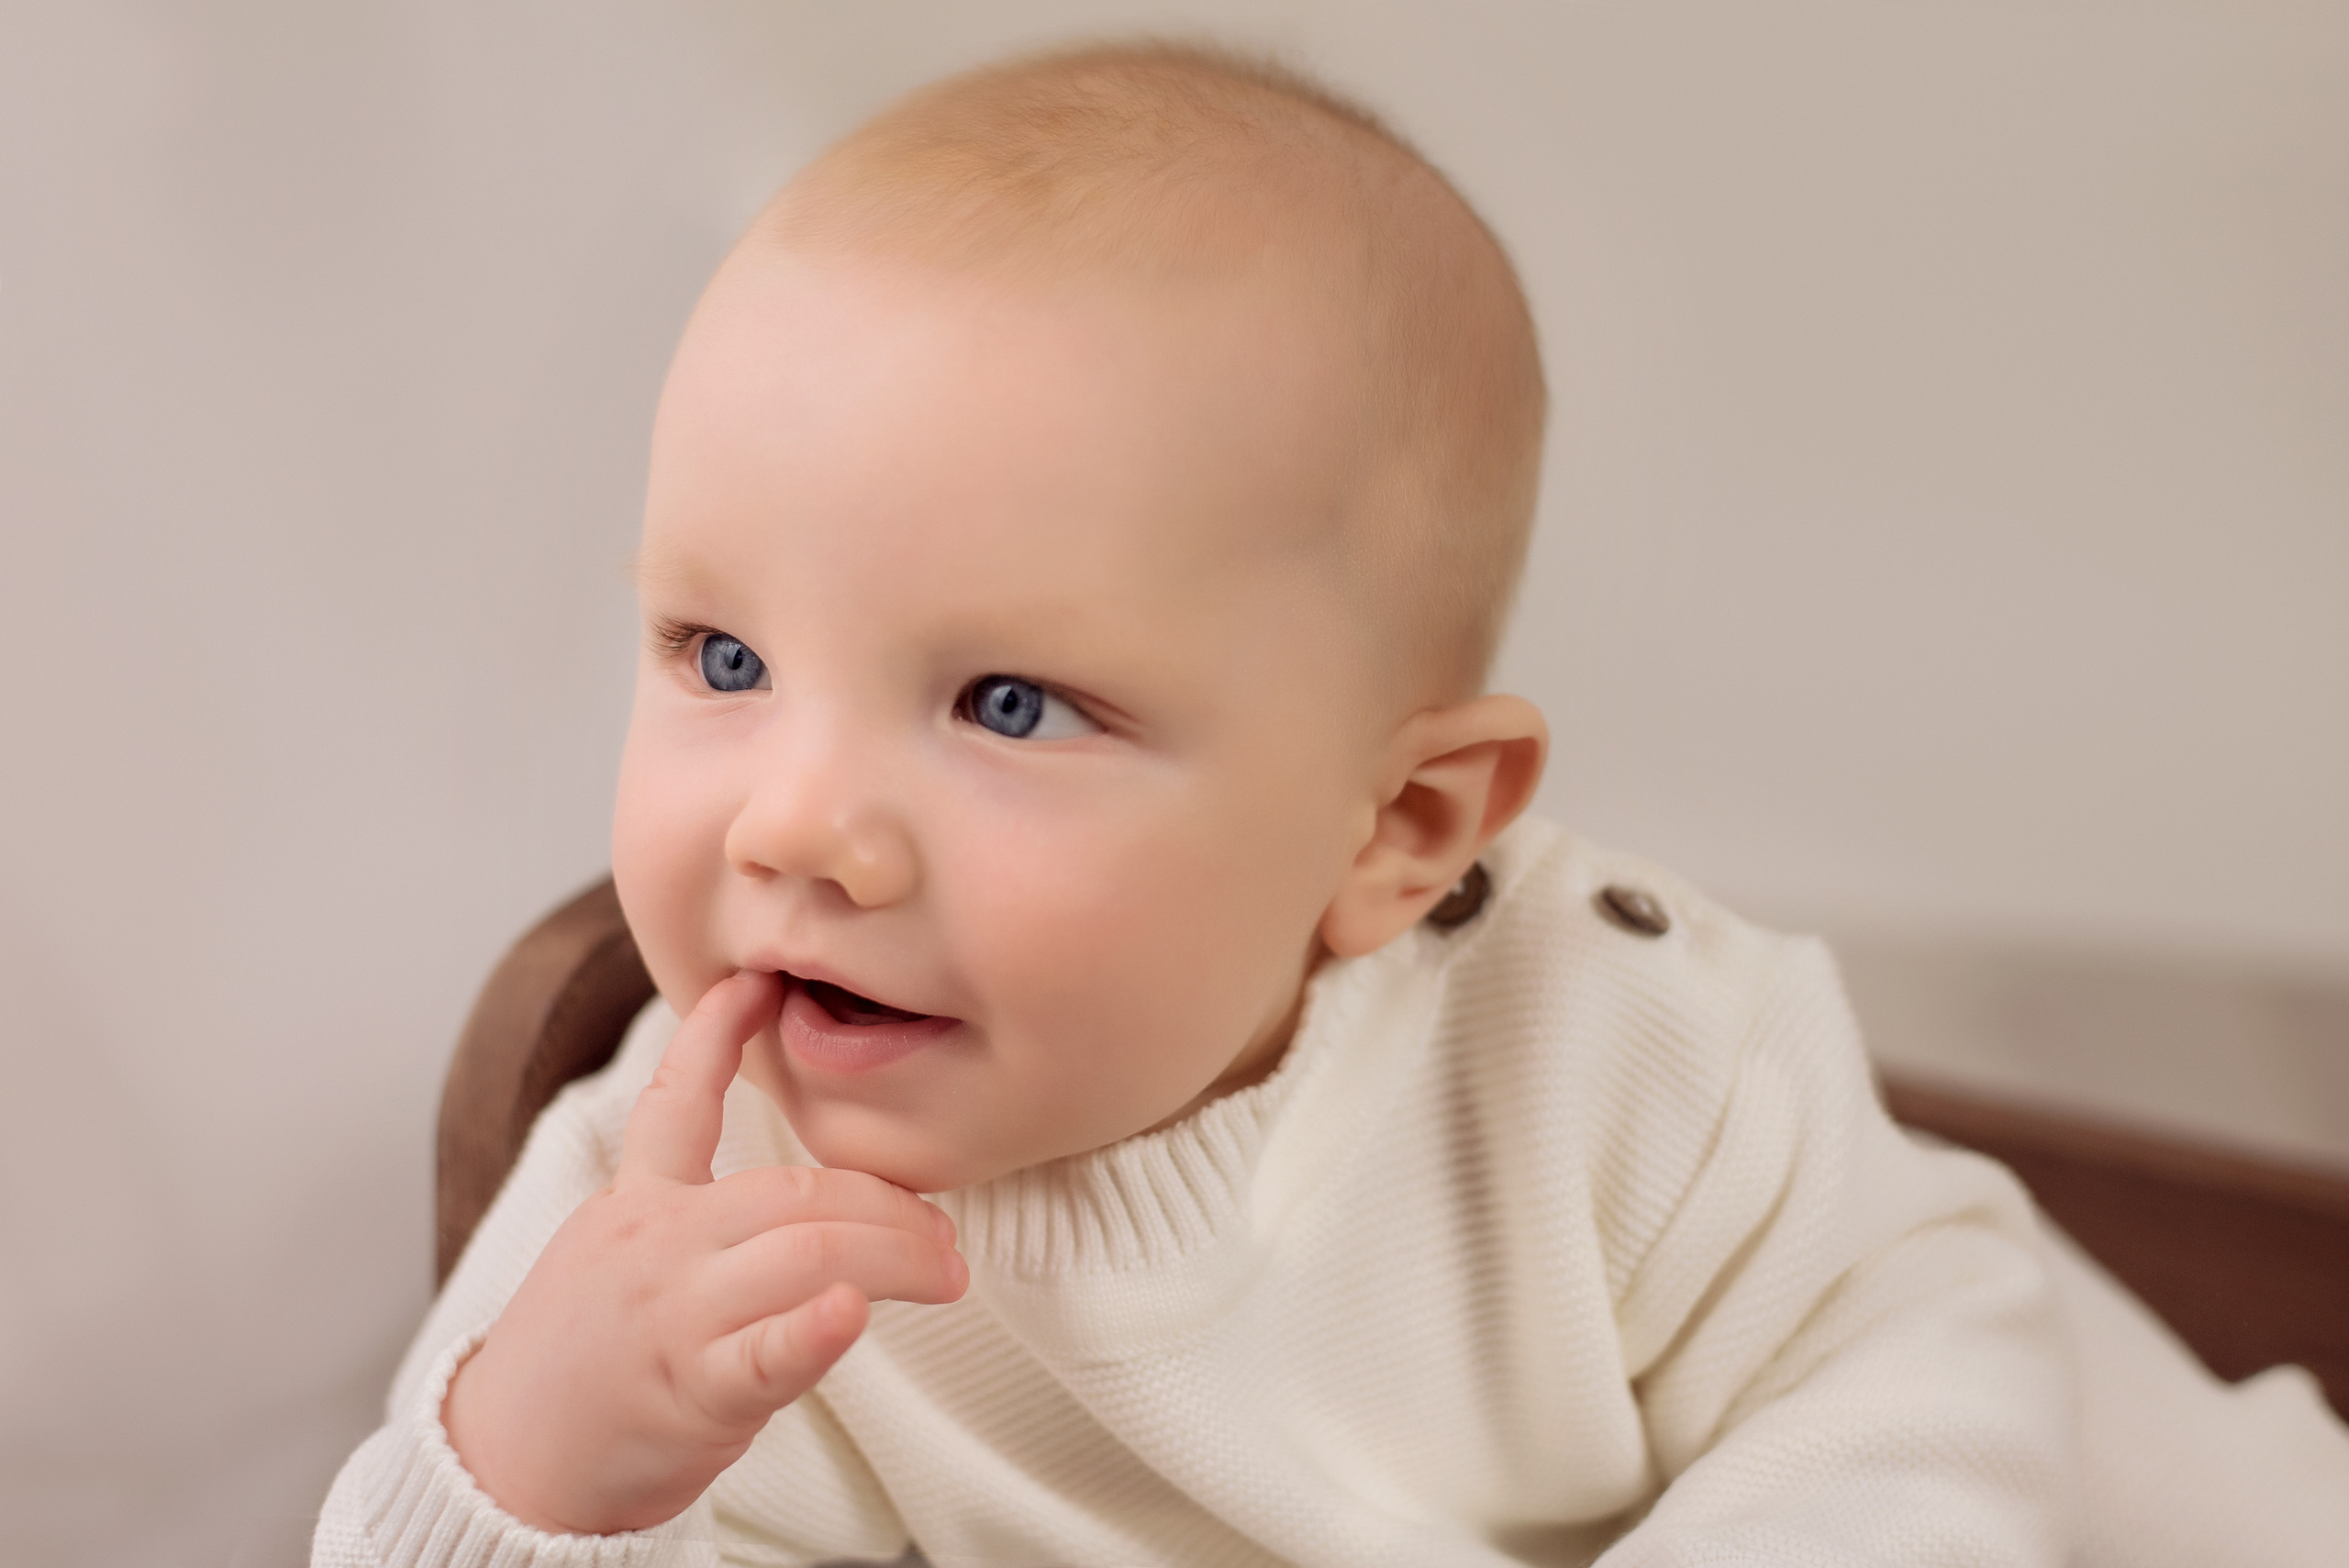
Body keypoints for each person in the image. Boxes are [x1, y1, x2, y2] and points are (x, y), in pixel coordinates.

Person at [314, 41, 2349, 1568]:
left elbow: (1918, 1353)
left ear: (1397, 832)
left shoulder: (1610, 1060)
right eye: (719, 661)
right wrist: (529, 1476)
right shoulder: (669, 1234)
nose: (795, 829)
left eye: (1008, 700)